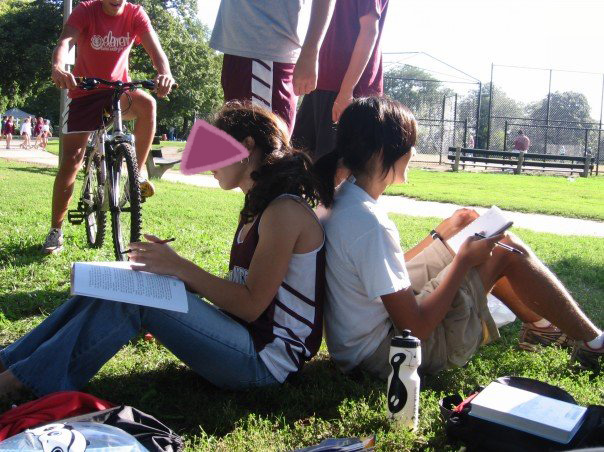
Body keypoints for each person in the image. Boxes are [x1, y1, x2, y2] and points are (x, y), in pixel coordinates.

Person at [0, 102, 326, 398]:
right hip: (243, 340)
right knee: (114, 286)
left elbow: (251, 306)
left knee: (136, 299)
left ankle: (27, 382)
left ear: (246, 146)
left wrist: (180, 268)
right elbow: (243, 294)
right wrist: (169, 272)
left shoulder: (284, 211)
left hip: (264, 363)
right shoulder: (257, 206)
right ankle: (12, 363)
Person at [314, 97, 603, 379]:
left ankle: (542, 329)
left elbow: (380, 273)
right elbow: (415, 328)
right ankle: (594, 343)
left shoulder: (340, 200)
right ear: (381, 153)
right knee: (505, 249)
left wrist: (439, 236)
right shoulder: (370, 223)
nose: (413, 151)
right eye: (408, 144)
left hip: (355, 346)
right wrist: (464, 260)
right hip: (385, 355)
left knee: (477, 240)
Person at [43, 0, 176, 254]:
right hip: (85, 91)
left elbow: (156, 51)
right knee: (71, 160)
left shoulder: (135, 14)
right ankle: (55, 231)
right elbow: (65, 42)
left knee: (148, 104)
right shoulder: (86, 10)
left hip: (118, 91)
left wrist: (164, 72)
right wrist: (58, 67)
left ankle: (135, 176)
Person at [210, 0, 335, 132]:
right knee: (237, 143)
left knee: (265, 147)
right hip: (239, 44)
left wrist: (311, 52)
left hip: (265, 47)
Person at [292, 0, 389, 160]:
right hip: (320, 85)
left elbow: (369, 32)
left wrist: (346, 92)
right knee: (300, 162)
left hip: (342, 91)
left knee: (335, 170)